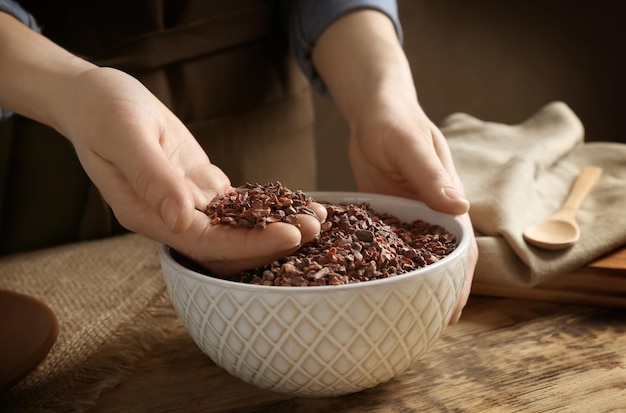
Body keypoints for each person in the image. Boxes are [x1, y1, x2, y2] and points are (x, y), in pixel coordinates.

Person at [0, 0, 477, 323]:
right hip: (37, 123)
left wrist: (382, 97)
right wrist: (71, 90)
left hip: (255, 102)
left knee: (284, 269)